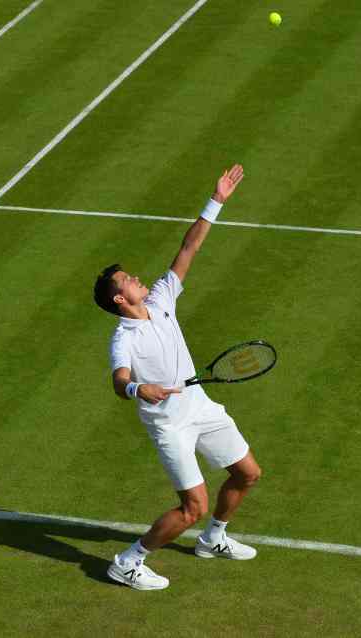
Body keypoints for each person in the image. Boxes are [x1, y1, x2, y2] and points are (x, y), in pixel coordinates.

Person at [92, 164, 262, 591]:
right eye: (127, 279)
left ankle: (214, 539)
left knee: (247, 473)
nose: (136, 277)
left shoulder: (163, 297)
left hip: (200, 407)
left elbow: (188, 249)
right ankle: (128, 561)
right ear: (119, 298)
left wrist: (217, 200)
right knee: (192, 507)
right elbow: (119, 381)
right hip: (170, 425)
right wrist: (137, 388)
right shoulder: (122, 338)